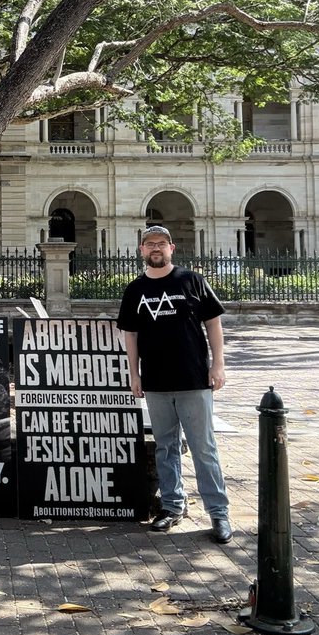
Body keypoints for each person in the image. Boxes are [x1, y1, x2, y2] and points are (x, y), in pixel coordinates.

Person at [117, 225, 233, 544]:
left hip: (194, 379)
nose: (156, 248)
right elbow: (131, 335)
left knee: (203, 448)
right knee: (165, 448)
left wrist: (218, 365)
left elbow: (213, 324)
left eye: (162, 243)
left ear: (172, 248)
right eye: (150, 243)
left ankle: (219, 514)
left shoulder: (191, 280)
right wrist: (135, 374)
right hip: (155, 382)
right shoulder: (135, 290)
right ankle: (171, 507)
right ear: (141, 250)